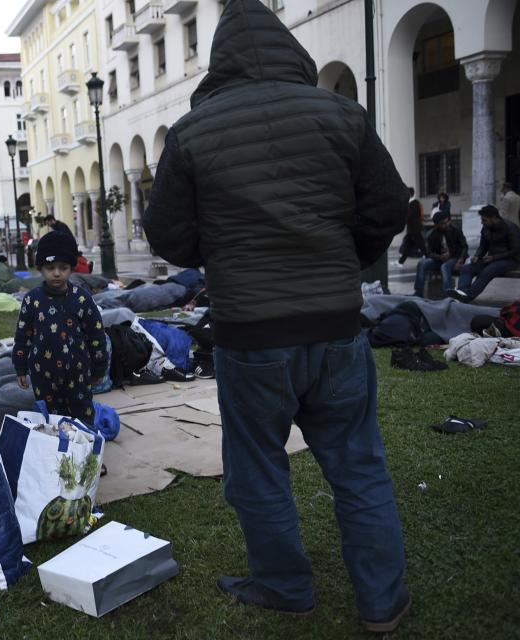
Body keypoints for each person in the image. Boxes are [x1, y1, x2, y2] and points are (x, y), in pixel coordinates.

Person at [143, 0, 411, 632]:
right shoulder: (341, 113)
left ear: (219, 62)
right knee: (357, 463)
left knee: (259, 467)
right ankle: (381, 601)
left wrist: (222, 251)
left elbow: (168, 235)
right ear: (289, 51)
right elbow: (388, 205)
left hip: (251, 332)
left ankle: (285, 586)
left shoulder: (193, 130)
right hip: (335, 324)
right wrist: (347, 258)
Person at [13, 231, 108, 423]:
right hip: (43, 374)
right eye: (50, 268)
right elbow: (23, 336)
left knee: (82, 414)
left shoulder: (81, 299)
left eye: (63, 268)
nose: (56, 273)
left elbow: (96, 334)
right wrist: (20, 367)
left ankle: (85, 448)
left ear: (71, 268)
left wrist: (99, 368)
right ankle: (58, 451)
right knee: (51, 419)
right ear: (40, 268)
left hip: (78, 372)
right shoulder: (32, 300)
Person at [447, 204, 520, 302]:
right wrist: (477, 256)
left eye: (484, 220)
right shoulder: (486, 228)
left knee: (488, 271)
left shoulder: (511, 228)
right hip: (492, 259)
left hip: (510, 260)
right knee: (466, 269)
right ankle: (461, 293)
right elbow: (483, 246)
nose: (482, 223)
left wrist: (494, 257)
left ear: (494, 218)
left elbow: (515, 250)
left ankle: (468, 296)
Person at [413, 212, 468, 297]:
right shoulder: (432, 234)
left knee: (445, 266)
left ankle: (448, 294)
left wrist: (460, 260)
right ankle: (418, 292)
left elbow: (464, 247)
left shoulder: (455, 231)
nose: (446, 224)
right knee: (422, 263)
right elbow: (429, 252)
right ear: (436, 225)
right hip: (439, 259)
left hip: (454, 258)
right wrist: (439, 257)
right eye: (443, 223)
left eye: (447, 222)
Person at [397, 187, 427, 264]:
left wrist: (402, 220)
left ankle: (428, 256)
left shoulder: (414, 203)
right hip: (412, 229)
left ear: (410, 194)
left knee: (420, 244)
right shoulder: (410, 203)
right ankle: (401, 262)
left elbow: (410, 215)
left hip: (415, 228)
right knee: (408, 245)